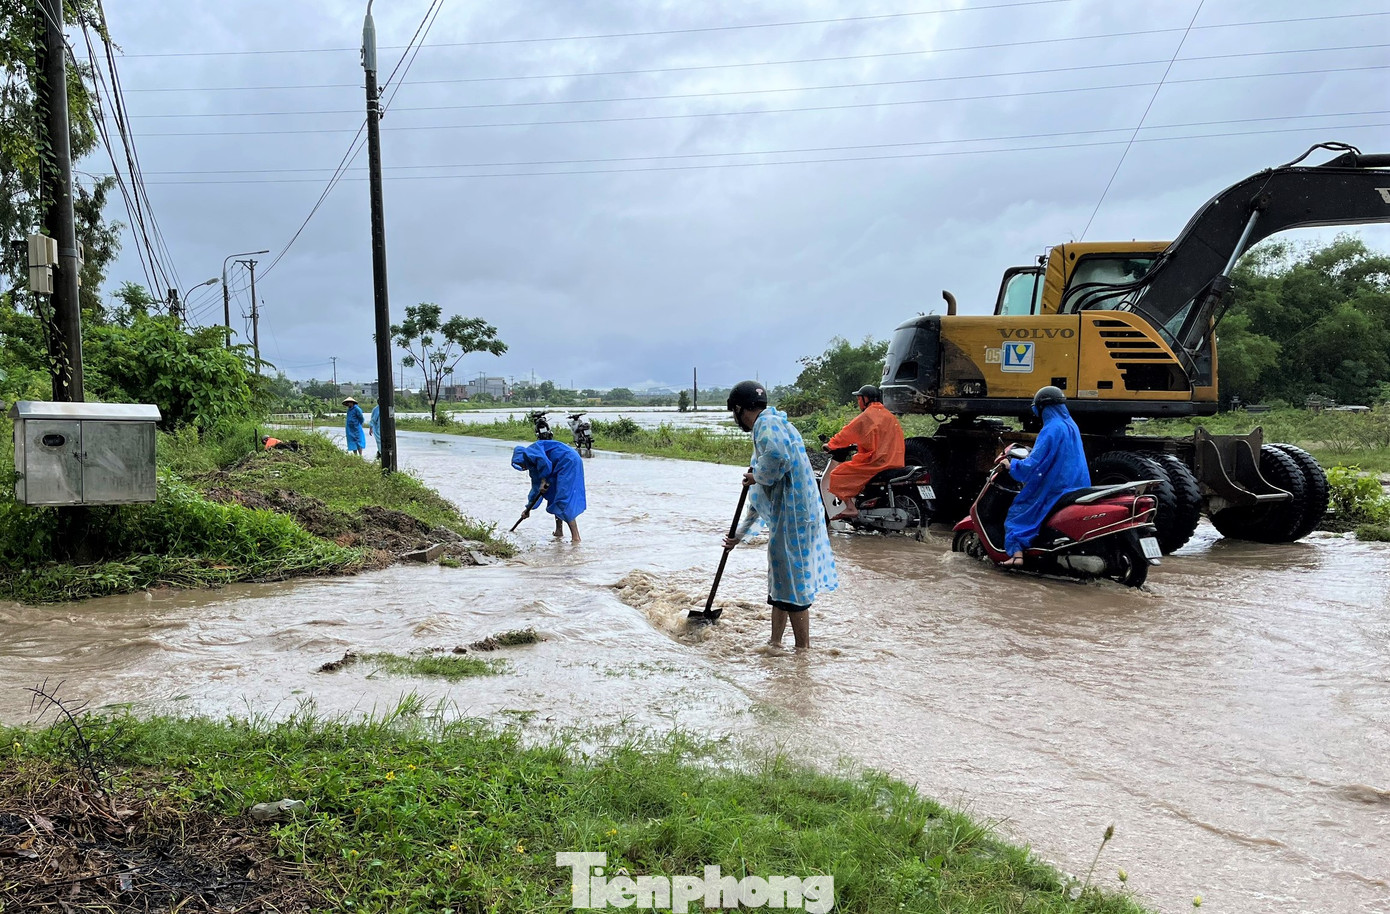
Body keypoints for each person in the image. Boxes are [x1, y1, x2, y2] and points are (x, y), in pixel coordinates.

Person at [722, 380, 838, 651]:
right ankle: (775, 643)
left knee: (794, 586)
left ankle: (802, 652)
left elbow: (776, 458)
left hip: (794, 520)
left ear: (740, 409)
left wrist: (757, 475)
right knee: (782, 582)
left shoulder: (766, 425)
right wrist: (738, 535)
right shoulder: (776, 422)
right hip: (792, 517)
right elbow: (762, 497)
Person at [1002, 386, 1091, 565]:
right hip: (1078, 484)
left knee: (1019, 511)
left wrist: (1013, 465)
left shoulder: (1051, 428)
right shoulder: (1071, 425)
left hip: (1057, 486)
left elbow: (1034, 463)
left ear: (1042, 408)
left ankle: (1017, 555)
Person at [823, 384, 905, 518]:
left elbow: (848, 433)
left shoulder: (868, 416)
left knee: (838, 475)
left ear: (865, 399)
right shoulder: (888, 415)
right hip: (895, 460)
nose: (858, 402)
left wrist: (831, 445)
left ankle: (850, 508)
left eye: (859, 399)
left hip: (878, 462)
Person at [512, 439, 586, 542]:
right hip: (561, 464)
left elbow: (544, 462)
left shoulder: (531, 453)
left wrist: (543, 480)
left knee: (562, 500)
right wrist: (528, 508)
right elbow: (536, 489)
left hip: (567, 461)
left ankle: (576, 537)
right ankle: (558, 531)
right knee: (554, 496)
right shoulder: (533, 465)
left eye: (521, 465)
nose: (523, 467)